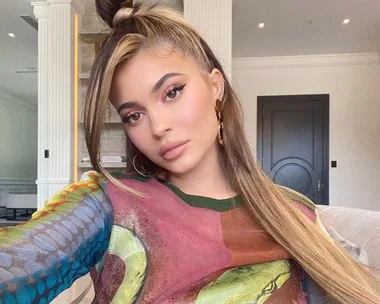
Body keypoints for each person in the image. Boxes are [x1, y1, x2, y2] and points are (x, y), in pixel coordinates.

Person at [0, 1, 379, 303]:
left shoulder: (295, 212)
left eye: (172, 92)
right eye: (133, 114)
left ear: (216, 86)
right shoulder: (107, 203)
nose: (157, 126)